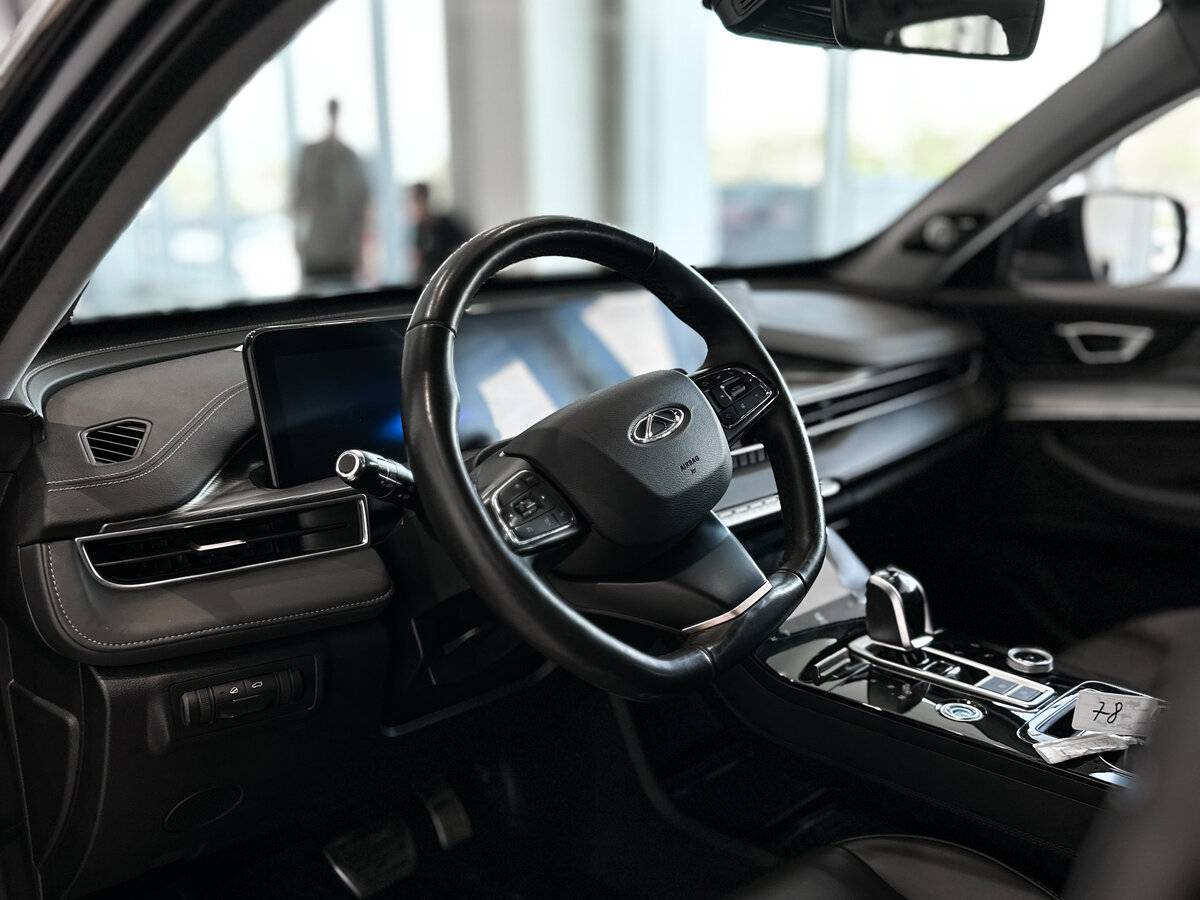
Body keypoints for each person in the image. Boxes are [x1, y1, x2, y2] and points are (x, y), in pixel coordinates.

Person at [292, 98, 369, 284]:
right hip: (317, 251)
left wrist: (359, 250)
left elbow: (359, 207)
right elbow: (298, 201)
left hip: (341, 251)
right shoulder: (311, 154)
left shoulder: (348, 156)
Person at [409, 182, 469, 283]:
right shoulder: (420, 230)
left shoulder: (445, 224)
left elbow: (467, 244)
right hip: (429, 282)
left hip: (448, 279)